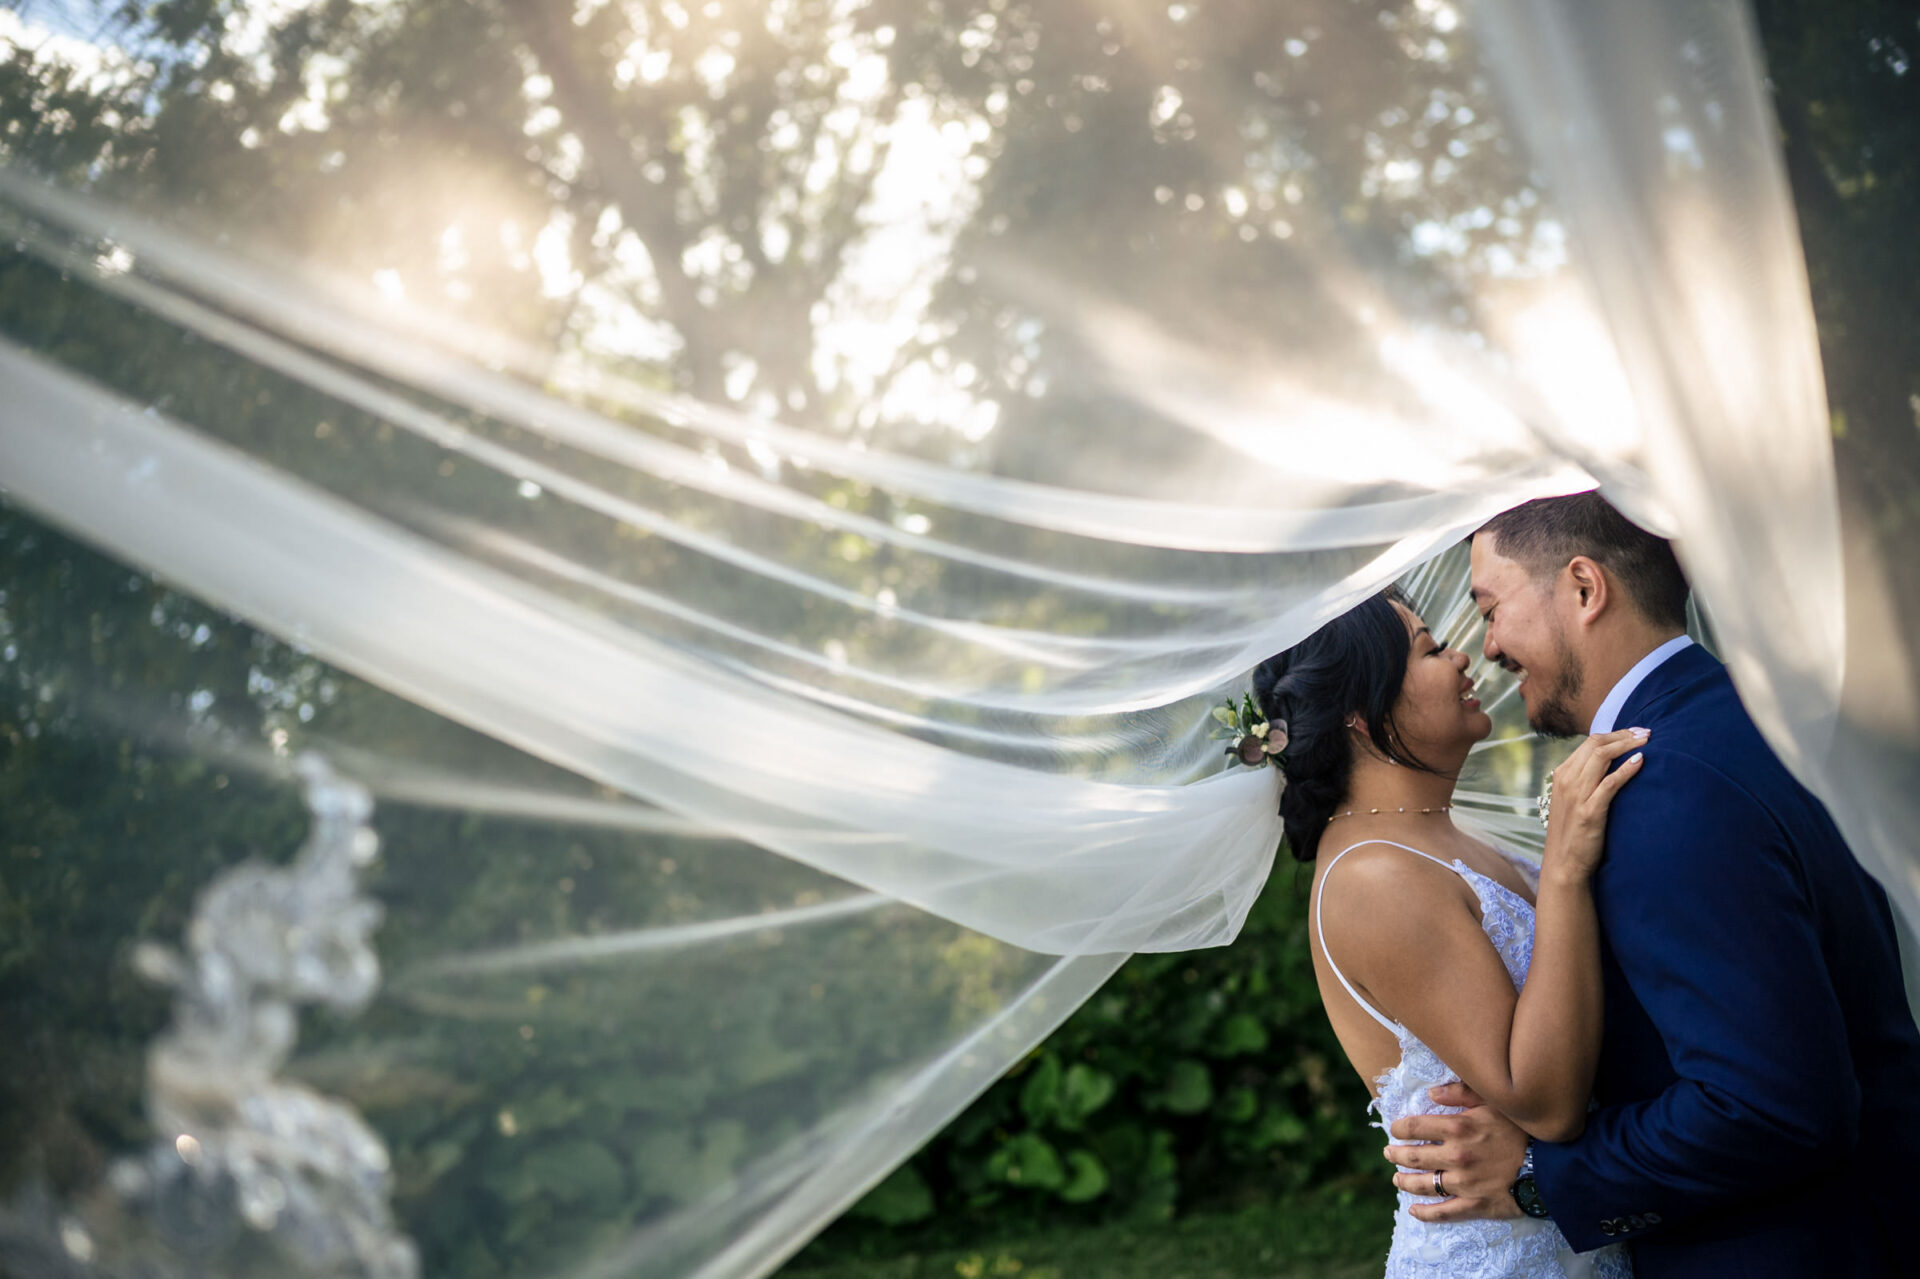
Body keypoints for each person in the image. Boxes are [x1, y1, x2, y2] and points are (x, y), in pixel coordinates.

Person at [1382, 492, 1920, 1278]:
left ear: (1584, 588)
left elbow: (1770, 1106)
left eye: (1492, 608)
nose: (1488, 647)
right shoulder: (1760, 713)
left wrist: (1539, 1178)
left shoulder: (1663, 783)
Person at [1252, 585, 1640, 1276]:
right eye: (1430, 650)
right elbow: (1545, 1098)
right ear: (1360, 717)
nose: (1464, 657)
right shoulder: (1374, 879)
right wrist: (1564, 869)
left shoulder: (1446, 836)